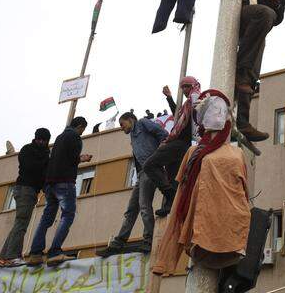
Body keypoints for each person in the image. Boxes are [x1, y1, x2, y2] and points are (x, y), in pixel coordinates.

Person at [152, 89, 250, 275]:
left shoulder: (237, 153)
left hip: (233, 231)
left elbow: (244, 192)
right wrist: (164, 261)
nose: (218, 114)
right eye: (213, 109)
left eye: (221, 110)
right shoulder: (194, 152)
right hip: (201, 231)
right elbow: (179, 205)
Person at [237, 0, 285, 142]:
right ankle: (242, 71)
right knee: (265, 14)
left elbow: (279, 17)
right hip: (240, 15)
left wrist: (276, 4)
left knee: (251, 72)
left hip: (257, 30)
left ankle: (242, 122)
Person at [96, 112, 168, 257]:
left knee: (144, 205)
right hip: (141, 173)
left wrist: (160, 150)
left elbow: (163, 133)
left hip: (150, 169)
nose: (122, 128)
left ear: (130, 120)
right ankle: (119, 242)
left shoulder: (142, 123)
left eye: (122, 124)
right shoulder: (132, 136)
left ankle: (148, 240)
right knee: (131, 209)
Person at [27, 117, 92, 267]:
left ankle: (35, 253)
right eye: (83, 129)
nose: (83, 132)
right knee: (67, 215)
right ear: (81, 126)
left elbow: (58, 159)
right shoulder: (75, 137)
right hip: (64, 182)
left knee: (46, 218)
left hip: (50, 184)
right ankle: (54, 252)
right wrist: (82, 158)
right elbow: (71, 159)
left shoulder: (59, 137)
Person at [145, 77, 201, 217]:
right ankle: (171, 205)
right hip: (180, 145)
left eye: (187, 86)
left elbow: (185, 122)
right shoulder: (187, 105)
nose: (185, 90)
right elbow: (179, 115)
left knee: (149, 165)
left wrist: (169, 140)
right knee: (173, 178)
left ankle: (171, 195)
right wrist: (169, 98)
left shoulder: (196, 100)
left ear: (194, 86)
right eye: (183, 87)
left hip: (179, 144)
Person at [0, 128, 51, 267]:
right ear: (35, 138)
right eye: (39, 139)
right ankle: (13, 256)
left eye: (44, 140)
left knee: (19, 224)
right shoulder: (27, 150)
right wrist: (46, 163)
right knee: (21, 224)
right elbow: (30, 167)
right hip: (25, 189)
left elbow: (44, 173)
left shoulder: (45, 153)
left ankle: (4, 257)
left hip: (31, 191)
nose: (41, 142)